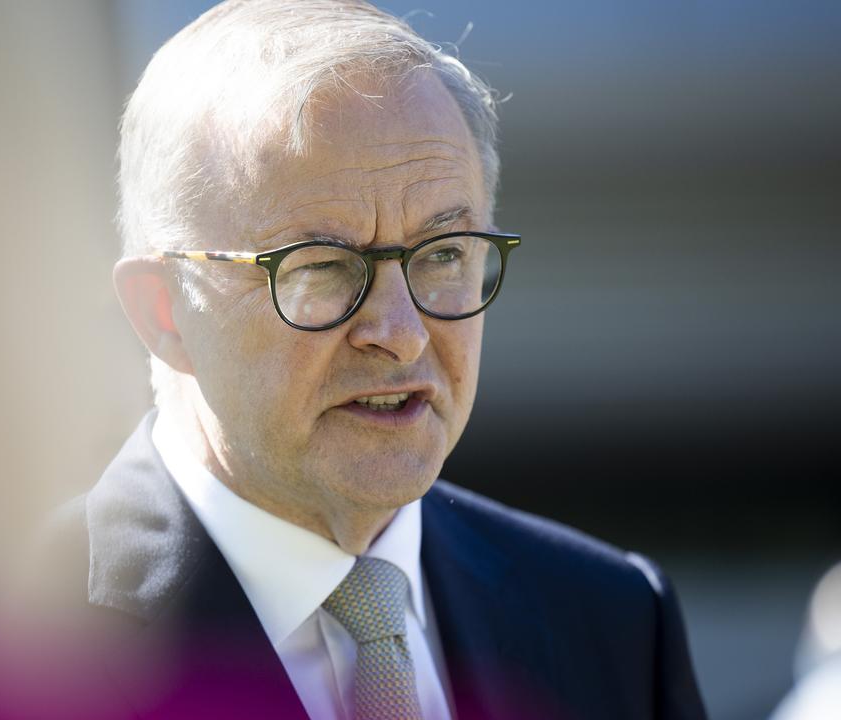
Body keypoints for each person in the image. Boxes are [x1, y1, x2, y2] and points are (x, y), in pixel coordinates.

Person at [45, 2, 708, 719]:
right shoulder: (10, 643)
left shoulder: (611, 619)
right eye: (323, 266)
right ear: (164, 313)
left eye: (444, 253)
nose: (401, 333)